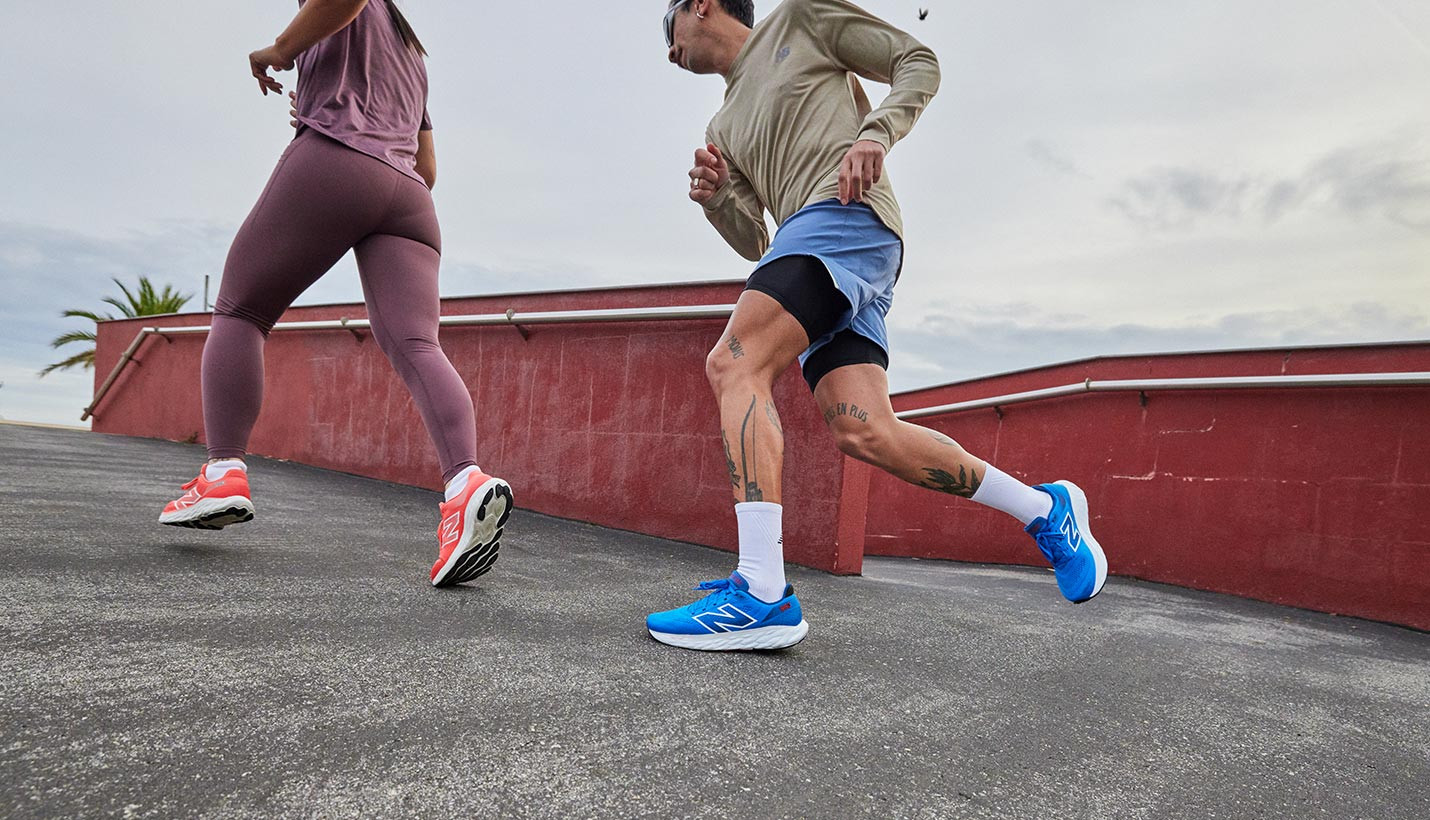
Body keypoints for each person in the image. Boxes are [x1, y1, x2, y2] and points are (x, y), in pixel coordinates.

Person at [647, 0, 1107, 651]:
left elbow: (915, 60)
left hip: (844, 219)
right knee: (867, 433)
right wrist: (717, 196)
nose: (668, 50)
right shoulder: (721, 124)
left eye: (669, 30)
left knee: (735, 363)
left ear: (701, 6)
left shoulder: (799, 20)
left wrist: (875, 134)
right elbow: (755, 242)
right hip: (821, 255)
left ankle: (759, 592)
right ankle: (1044, 510)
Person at [159, 0, 512, 588]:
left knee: (241, 310)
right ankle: (465, 485)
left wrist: (279, 51)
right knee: (418, 345)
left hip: (337, 159)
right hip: (407, 195)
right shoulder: (411, 50)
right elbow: (427, 166)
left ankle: (222, 469)